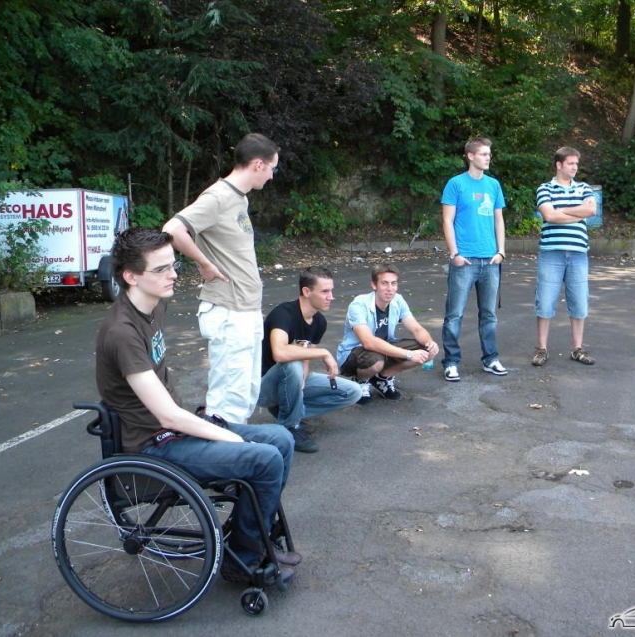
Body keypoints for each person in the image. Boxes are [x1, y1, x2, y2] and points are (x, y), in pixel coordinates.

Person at [95, 228, 300, 584]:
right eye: (161, 269)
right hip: (153, 445)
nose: (173, 274)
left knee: (282, 439)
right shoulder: (122, 332)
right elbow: (167, 415)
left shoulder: (153, 304)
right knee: (264, 457)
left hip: (172, 431)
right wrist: (229, 437)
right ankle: (243, 559)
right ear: (130, 276)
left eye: (173, 265)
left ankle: (250, 535)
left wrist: (209, 267)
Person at [162, 133, 279, 424]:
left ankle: (233, 441)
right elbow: (173, 230)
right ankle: (223, 443)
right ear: (258, 165)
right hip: (229, 311)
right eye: (272, 168)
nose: (272, 176)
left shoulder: (239, 199)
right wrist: (203, 263)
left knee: (245, 391)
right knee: (229, 397)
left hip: (245, 309)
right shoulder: (218, 197)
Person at [258, 266, 362, 453]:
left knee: (353, 392)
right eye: (325, 291)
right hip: (263, 387)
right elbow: (279, 352)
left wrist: (300, 386)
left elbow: (305, 358)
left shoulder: (319, 322)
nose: (331, 297)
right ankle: (289, 427)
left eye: (331, 291)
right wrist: (323, 353)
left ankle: (289, 412)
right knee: (291, 363)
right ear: (306, 291)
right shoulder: (283, 313)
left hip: (291, 381)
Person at [440, 137, 508, 382]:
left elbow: (498, 220)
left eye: (489, 154)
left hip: (490, 261)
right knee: (454, 314)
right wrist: (455, 254)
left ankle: (490, 359)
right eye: (483, 154)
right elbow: (447, 220)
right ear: (470, 156)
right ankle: (451, 362)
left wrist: (501, 252)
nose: (488, 157)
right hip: (465, 260)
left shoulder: (493, 185)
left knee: (489, 314)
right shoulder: (456, 184)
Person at [532, 146, 597, 368]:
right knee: (545, 301)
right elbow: (549, 215)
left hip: (578, 254)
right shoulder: (545, 188)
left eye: (576, 164)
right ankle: (541, 349)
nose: (575, 167)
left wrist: (563, 211)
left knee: (579, 302)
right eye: (571, 163)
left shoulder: (584, 188)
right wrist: (576, 212)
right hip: (551, 252)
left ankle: (577, 349)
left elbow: (591, 211)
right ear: (559, 165)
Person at [337, 264, 439, 402]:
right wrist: (409, 354)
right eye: (384, 283)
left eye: (393, 283)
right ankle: (361, 381)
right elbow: (368, 342)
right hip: (354, 355)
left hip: (383, 350)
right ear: (374, 285)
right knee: (375, 360)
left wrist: (429, 342)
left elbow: (417, 329)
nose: (390, 289)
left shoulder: (398, 300)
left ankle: (383, 378)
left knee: (426, 350)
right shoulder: (359, 305)